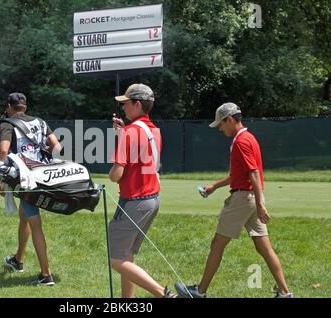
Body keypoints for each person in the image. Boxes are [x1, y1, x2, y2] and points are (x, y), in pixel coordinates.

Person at [176, 102, 293, 298]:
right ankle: (285, 293)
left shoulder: (241, 142)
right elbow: (239, 175)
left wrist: (260, 203)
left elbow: (254, 173)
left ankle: (199, 292)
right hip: (249, 197)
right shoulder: (248, 138)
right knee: (263, 246)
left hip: (243, 198)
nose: (220, 129)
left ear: (229, 120)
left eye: (221, 125)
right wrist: (214, 187)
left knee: (217, 243)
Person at [108, 83, 178, 298]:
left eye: (126, 104)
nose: (124, 108)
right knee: (127, 256)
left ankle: (162, 293)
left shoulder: (130, 132)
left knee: (117, 259)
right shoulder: (153, 131)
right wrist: (123, 132)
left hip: (134, 201)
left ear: (137, 104)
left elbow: (116, 174)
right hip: (151, 200)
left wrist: (122, 136)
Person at [0, 92, 61, 286]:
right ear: (25, 107)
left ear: (9, 106)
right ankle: (18, 260)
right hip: (42, 175)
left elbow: (3, 151)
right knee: (25, 216)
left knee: (35, 223)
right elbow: (57, 146)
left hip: (26, 179)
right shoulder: (40, 122)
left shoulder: (7, 123)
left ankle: (45, 274)